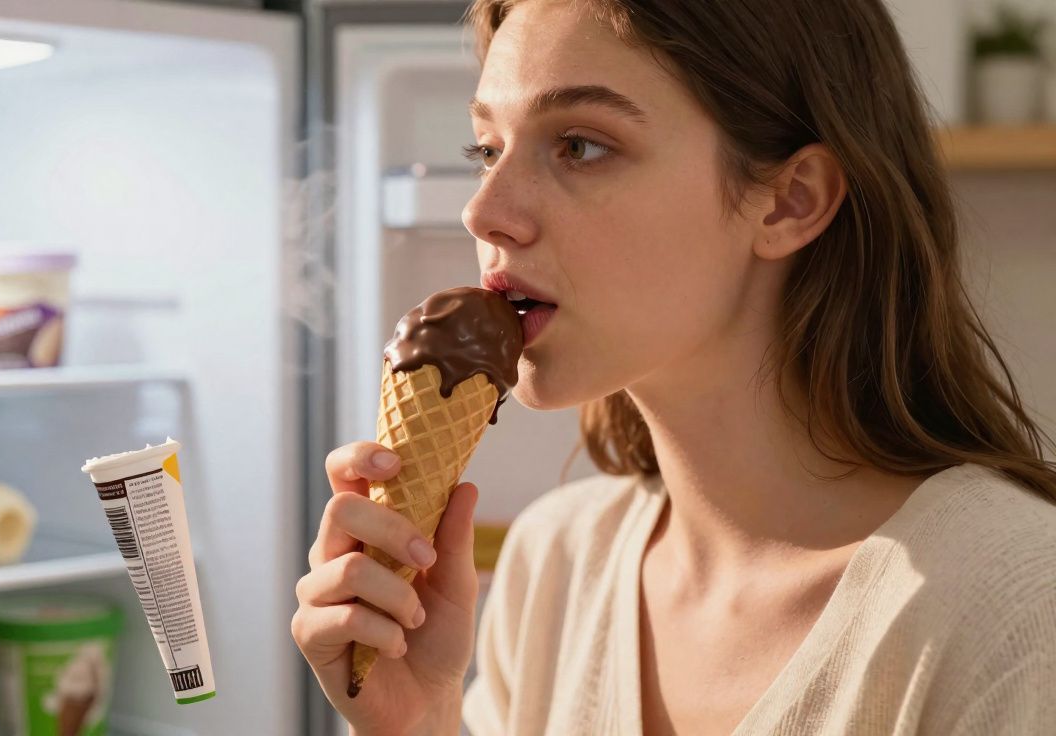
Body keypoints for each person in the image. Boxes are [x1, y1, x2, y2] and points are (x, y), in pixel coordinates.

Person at [292, 0, 1056, 733]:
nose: (484, 210)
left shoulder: (1018, 604)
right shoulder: (555, 563)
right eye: (488, 149)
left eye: (580, 146)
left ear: (791, 201)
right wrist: (417, 728)